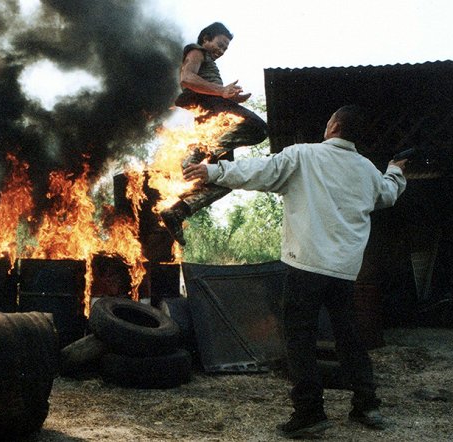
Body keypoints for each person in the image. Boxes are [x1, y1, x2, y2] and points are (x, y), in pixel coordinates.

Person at [182, 105, 408, 439]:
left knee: (299, 340)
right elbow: (387, 194)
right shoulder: (366, 170)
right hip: (345, 271)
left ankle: (309, 413)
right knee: (349, 337)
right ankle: (367, 405)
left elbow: (258, 170)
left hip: (306, 266)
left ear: (333, 126)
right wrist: (394, 171)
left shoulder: (303, 156)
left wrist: (212, 172)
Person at [159, 22, 268, 246]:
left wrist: (230, 97)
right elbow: (187, 79)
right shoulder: (197, 51)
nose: (221, 51)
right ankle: (194, 156)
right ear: (206, 39)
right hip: (211, 108)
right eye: (219, 44)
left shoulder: (208, 59)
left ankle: (177, 212)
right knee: (258, 128)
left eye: (225, 49)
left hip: (215, 112)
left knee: (224, 178)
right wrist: (221, 91)